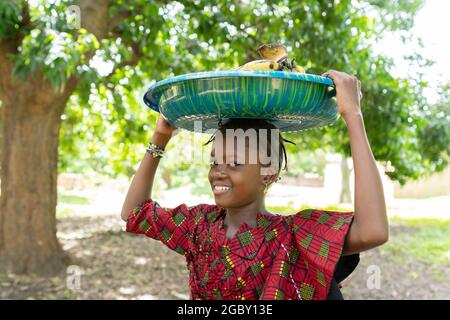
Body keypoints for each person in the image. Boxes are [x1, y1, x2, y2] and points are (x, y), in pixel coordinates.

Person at [121, 70, 389, 300]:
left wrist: (353, 115)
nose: (219, 173)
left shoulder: (291, 238)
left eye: (235, 163)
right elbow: (133, 213)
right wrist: (160, 138)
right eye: (215, 162)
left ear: (269, 172)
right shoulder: (199, 226)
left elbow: (372, 230)